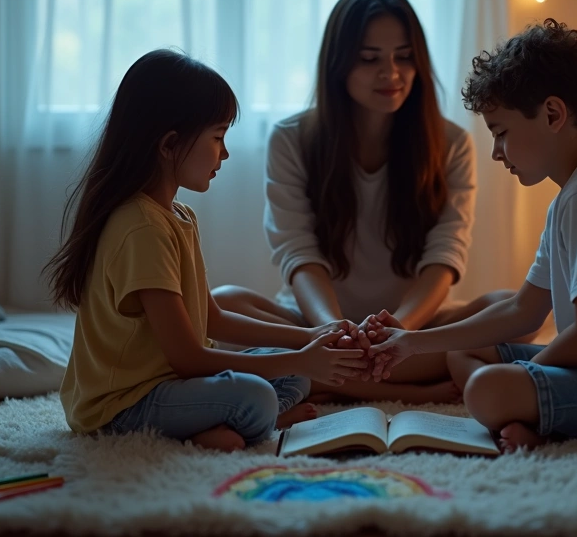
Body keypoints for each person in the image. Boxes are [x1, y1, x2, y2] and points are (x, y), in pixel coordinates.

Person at [363, 19, 577, 452]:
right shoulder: (573, 196)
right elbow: (522, 310)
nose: (495, 152)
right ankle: (536, 416)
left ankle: (539, 423)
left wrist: (530, 377)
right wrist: (412, 343)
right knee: (465, 355)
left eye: (501, 133)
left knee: (489, 388)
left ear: (551, 114)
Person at [45, 49, 367, 452]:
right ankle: (249, 422)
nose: (225, 153)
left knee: (293, 374)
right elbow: (190, 359)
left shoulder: (178, 216)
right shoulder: (140, 226)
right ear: (169, 144)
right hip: (120, 406)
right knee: (259, 394)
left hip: (172, 387)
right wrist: (300, 357)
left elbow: (211, 319)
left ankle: (227, 424)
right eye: (217, 137)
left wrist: (307, 337)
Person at [212, 0, 516, 403]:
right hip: (315, 325)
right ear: (338, 65)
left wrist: (401, 334)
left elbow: (444, 258)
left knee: (508, 307)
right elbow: (299, 254)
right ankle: (412, 388)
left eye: (404, 57)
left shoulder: (452, 143)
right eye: (370, 58)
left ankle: (326, 380)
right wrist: (332, 331)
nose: (391, 73)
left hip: (413, 328)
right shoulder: (291, 139)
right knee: (221, 304)